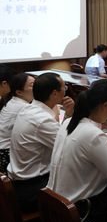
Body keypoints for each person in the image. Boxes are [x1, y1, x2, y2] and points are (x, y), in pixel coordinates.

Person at [48, 79, 107, 222]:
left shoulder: (69, 122)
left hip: (56, 205)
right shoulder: (94, 135)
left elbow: (88, 153)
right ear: (105, 105)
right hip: (80, 212)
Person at [7, 73, 75, 213]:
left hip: (20, 184)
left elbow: (59, 135)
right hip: (33, 189)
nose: (66, 91)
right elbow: (70, 147)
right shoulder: (42, 119)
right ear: (54, 93)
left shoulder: (28, 109)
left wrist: (68, 115)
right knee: (83, 177)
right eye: (65, 88)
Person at [0, 73, 34, 173]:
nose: (37, 87)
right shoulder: (24, 107)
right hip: (6, 154)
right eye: (32, 85)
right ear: (19, 92)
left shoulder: (12, 101)